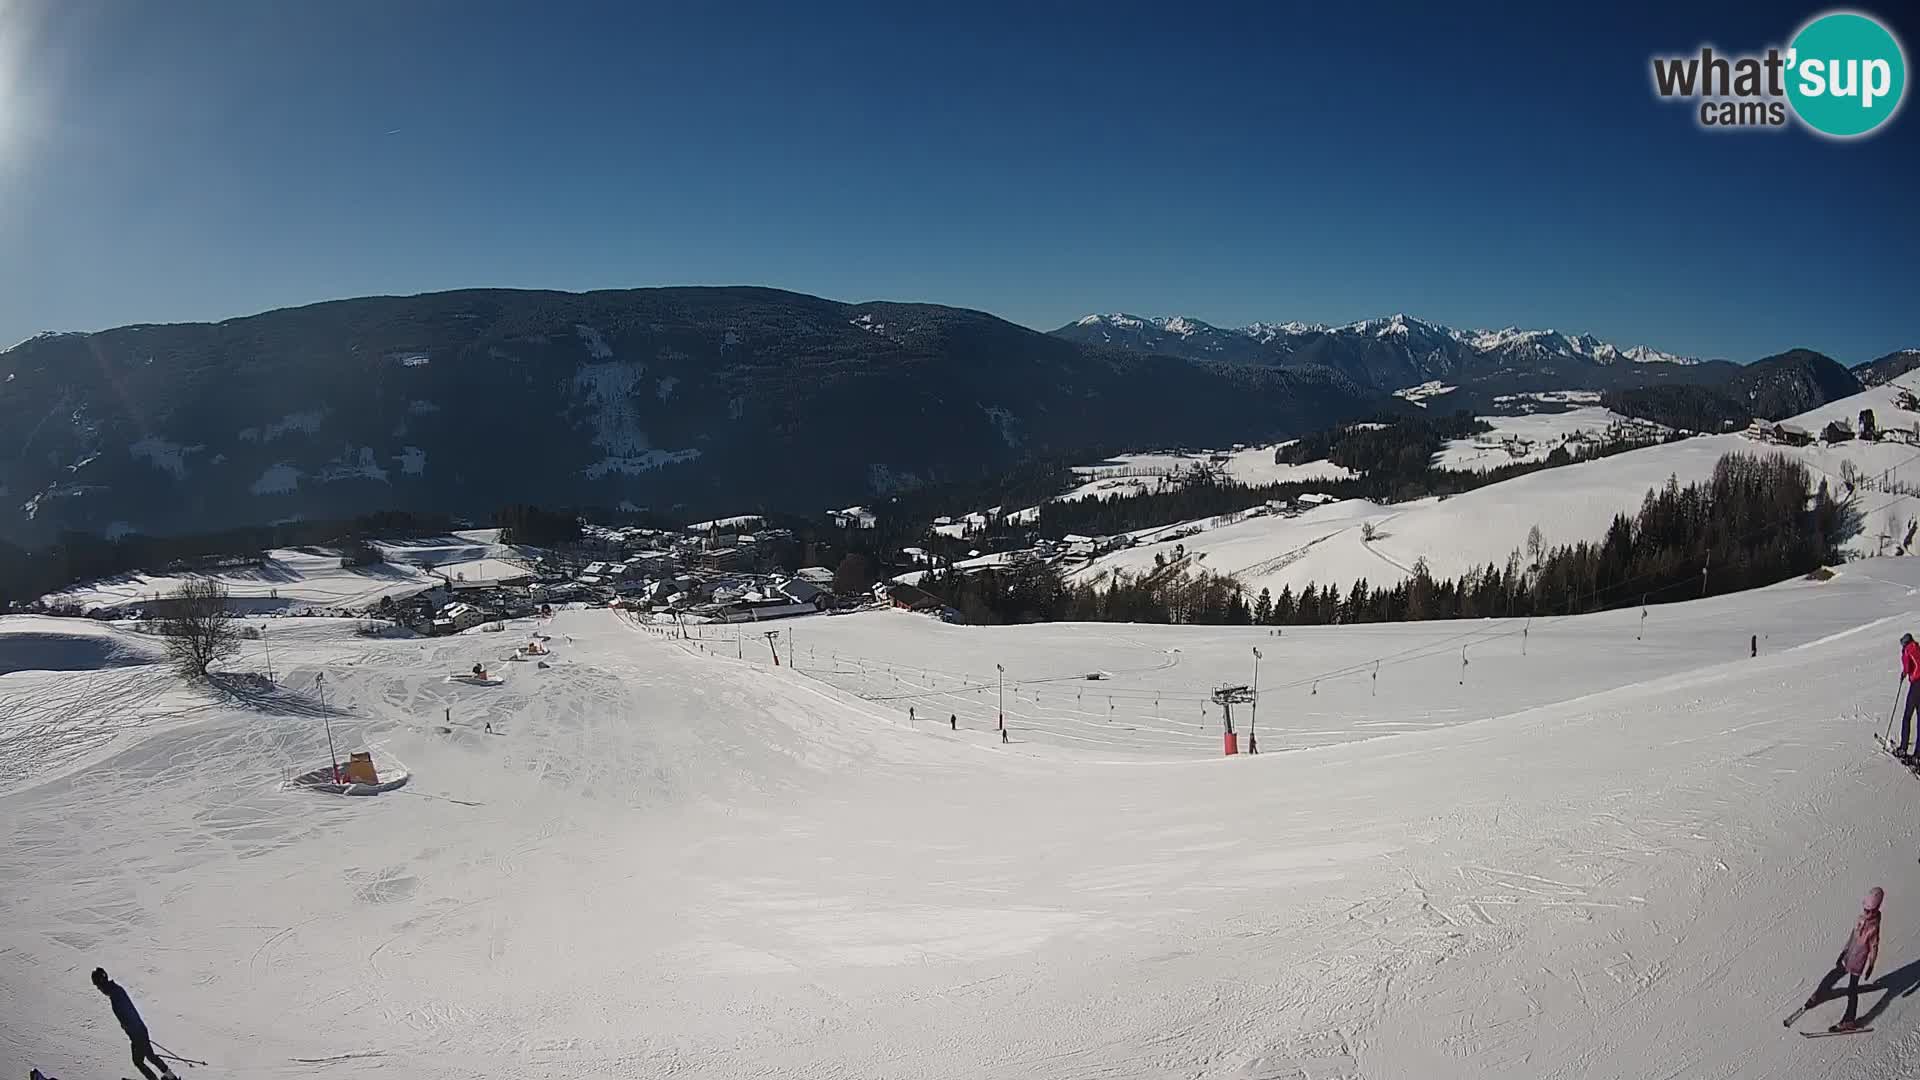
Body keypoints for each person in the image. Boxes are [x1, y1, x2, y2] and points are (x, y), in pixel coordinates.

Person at [1803, 887, 1882, 1032]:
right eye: (1866, 909)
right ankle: (1819, 994)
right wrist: (1843, 951)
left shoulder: (1874, 927)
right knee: (1833, 975)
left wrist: (1871, 964)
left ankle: (1849, 1020)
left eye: (1871, 911)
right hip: (1848, 956)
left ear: (1877, 909)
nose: (1867, 913)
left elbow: (1874, 947)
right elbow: (1852, 937)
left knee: (1852, 991)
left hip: (1858, 962)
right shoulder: (1860, 919)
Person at [91, 968, 177, 1080]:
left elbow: (128, 1013)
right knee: (143, 1059)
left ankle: (168, 1077)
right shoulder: (115, 992)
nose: (99, 989)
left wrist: (133, 1031)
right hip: (137, 1032)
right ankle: (169, 1076)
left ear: (102, 983)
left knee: (144, 1059)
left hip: (137, 1032)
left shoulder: (116, 994)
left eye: (98, 986)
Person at [1900, 634, 1920, 758]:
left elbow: (1907, 667)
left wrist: (1903, 674)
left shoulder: (1908, 650)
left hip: (1916, 685)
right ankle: (1918, 755)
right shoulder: (1918, 648)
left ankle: (1903, 747)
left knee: (1907, 716)